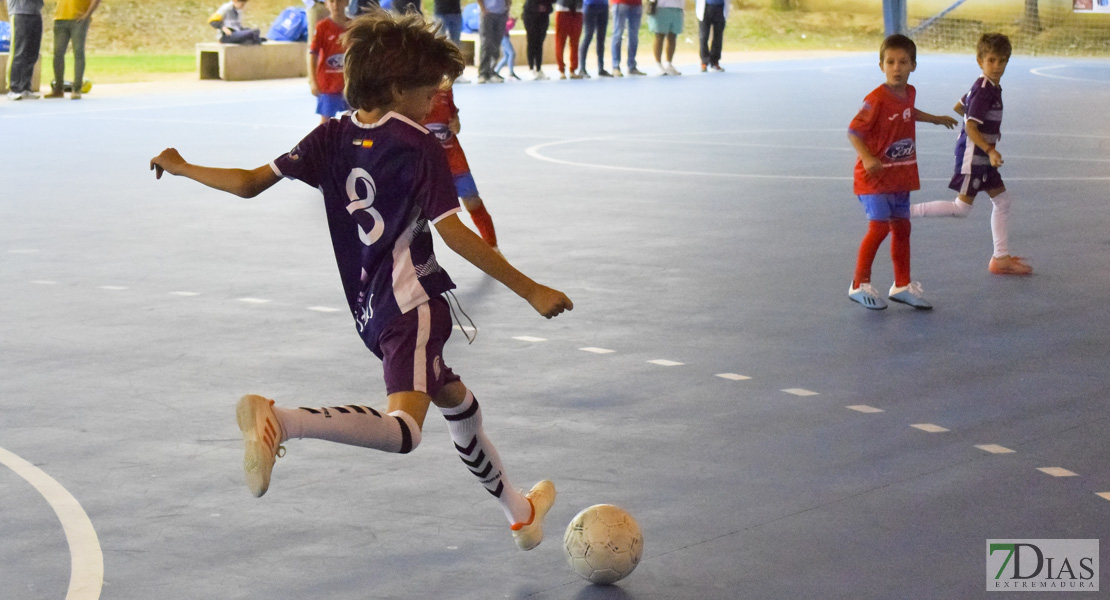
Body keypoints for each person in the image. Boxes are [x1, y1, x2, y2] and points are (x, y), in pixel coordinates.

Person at [150, 12, 571, 551]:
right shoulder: (419, 145)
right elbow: (456, 236)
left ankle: (520, 512)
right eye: (428, 91)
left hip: (371, 309)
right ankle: (281, 419)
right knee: (406, 432)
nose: (434, 103)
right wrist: (531, 289)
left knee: (456, 400)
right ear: (397, 87)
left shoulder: (332, 134)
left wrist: (184, 166)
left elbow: (250, 183)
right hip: (413, 303)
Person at [847, 34, 957, 310]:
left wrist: (935, 119)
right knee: (879, 227)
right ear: (881, 65)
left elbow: (909, 111)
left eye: (903, 62)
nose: (897, 67)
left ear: (914, 65)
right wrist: (868, 157)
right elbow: (853, 131)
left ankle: (902, 285)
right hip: (874, 178)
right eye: (891, 62)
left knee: (903, 227)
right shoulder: (875, 99)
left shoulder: (910, 93)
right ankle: (858, 284)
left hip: (900, 175)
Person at [909, 34, 1032, 276]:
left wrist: (982, 130)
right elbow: (970, 127)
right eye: (992, 60)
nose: (997, 66)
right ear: (980, 60)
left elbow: (960, 107)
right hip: (974, 156)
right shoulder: (985, 90)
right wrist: (989, 149)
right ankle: (904, 211)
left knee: (1002, 201)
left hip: (983, 158)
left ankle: (1001, 258)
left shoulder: (988, 87)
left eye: (1003, 61)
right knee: (961, 208)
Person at [422, 84, 501, 249]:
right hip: (426, 166)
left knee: (473, 201)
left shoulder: (445, 88)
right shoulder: (411, 92)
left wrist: (456, 124)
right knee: (416, 212)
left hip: (454, 160)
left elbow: (454, 115)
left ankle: (492, 246)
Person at [43, 0, 100, 100]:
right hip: (60, 18)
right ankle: (58, 89)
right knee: (58, 54)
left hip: (78, 19)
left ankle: (77, 89)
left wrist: (86, 16)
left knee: (78, 53)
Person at [308, 0, 350, 123]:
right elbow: (313, 54)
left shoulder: (353, 26)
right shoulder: (322, 27)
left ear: (346, 2)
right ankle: (323, 142)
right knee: (326, 122)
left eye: (339, 1)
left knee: (354, 119)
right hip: (328, 84)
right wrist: (313, 81)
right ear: (326, 4)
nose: (336, 5)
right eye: (331, 2)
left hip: (348, 84)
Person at [5, 0, 43, 100]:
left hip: (35, 13)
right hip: (19, 13)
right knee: (18, 52)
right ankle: (14, 88)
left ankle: (25, 87)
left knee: (32, 53)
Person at [476, 0, 510, 83]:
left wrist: (507, 9)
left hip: (501, 14)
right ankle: (483, 73)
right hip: (488, 14)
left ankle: (492, 72)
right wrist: (483, 9)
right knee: (486, 44)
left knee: (496, 44)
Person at [609, 0, 644, 77]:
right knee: (618, 34)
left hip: (636, 4)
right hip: (620, 2)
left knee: (634, 36)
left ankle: (632, 66)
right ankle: (616, 66)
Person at [648, 0, 682, 76]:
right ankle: (658, 64)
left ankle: (668, 64)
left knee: (673, 35)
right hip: (661, 6)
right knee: (659, 35)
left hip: (677, 6)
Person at [577, 0, 609, 78]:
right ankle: (582, 68)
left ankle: (601, 68)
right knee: (588, 35)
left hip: (604, 5)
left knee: (601, 38)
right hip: (590, 5)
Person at [521, 0, 552, 80]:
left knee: (540, 42)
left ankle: (539, 69)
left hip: (543, 15)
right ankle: (531, 69)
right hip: (530, 14)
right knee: (531, 41)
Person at [553, 0, 582, 79]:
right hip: (562, 10)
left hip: (577, 10)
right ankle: (561, 69)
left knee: (575, 42)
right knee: (560, 42)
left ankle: (573, 69)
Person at [695, 0, 726, 72]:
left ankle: (714, 62)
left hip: (720, 7)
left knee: (718, 36)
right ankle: (704, 61)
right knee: (703, 36)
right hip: (706, 7)